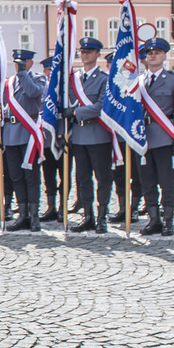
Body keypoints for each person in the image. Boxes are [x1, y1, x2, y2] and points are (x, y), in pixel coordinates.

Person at [135, 39, 174, 236]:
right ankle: (153, 219)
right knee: (147, 180)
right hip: (143, 138)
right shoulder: (138, 82)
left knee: (167, 181)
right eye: (149, 53)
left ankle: (168, 220)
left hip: (165, 137)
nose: (153, 56)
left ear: (165, 56)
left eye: (157, 52)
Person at [69, 37, 113, 233]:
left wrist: (75, 112)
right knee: (83, 179)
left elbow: (100, 106)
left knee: (103, 178)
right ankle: (88, 216)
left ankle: (102, 216)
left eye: (89, 51)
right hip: (78, 135)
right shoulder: (74, 79)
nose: (85, 54)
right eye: (82, 51)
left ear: (98, 54)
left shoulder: (104, 79)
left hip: (98, 134)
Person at [2, 48, 45, 232]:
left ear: (30, 63)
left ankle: (34, 215)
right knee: (16, 176)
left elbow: (33, 92)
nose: (19, 66)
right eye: (17, 63)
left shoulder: (38, 79)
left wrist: (23, 74)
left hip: (28, 134)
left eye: (23, 62)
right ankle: (23, 213)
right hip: (11, 135)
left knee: (31, 176)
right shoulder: (9, 83)